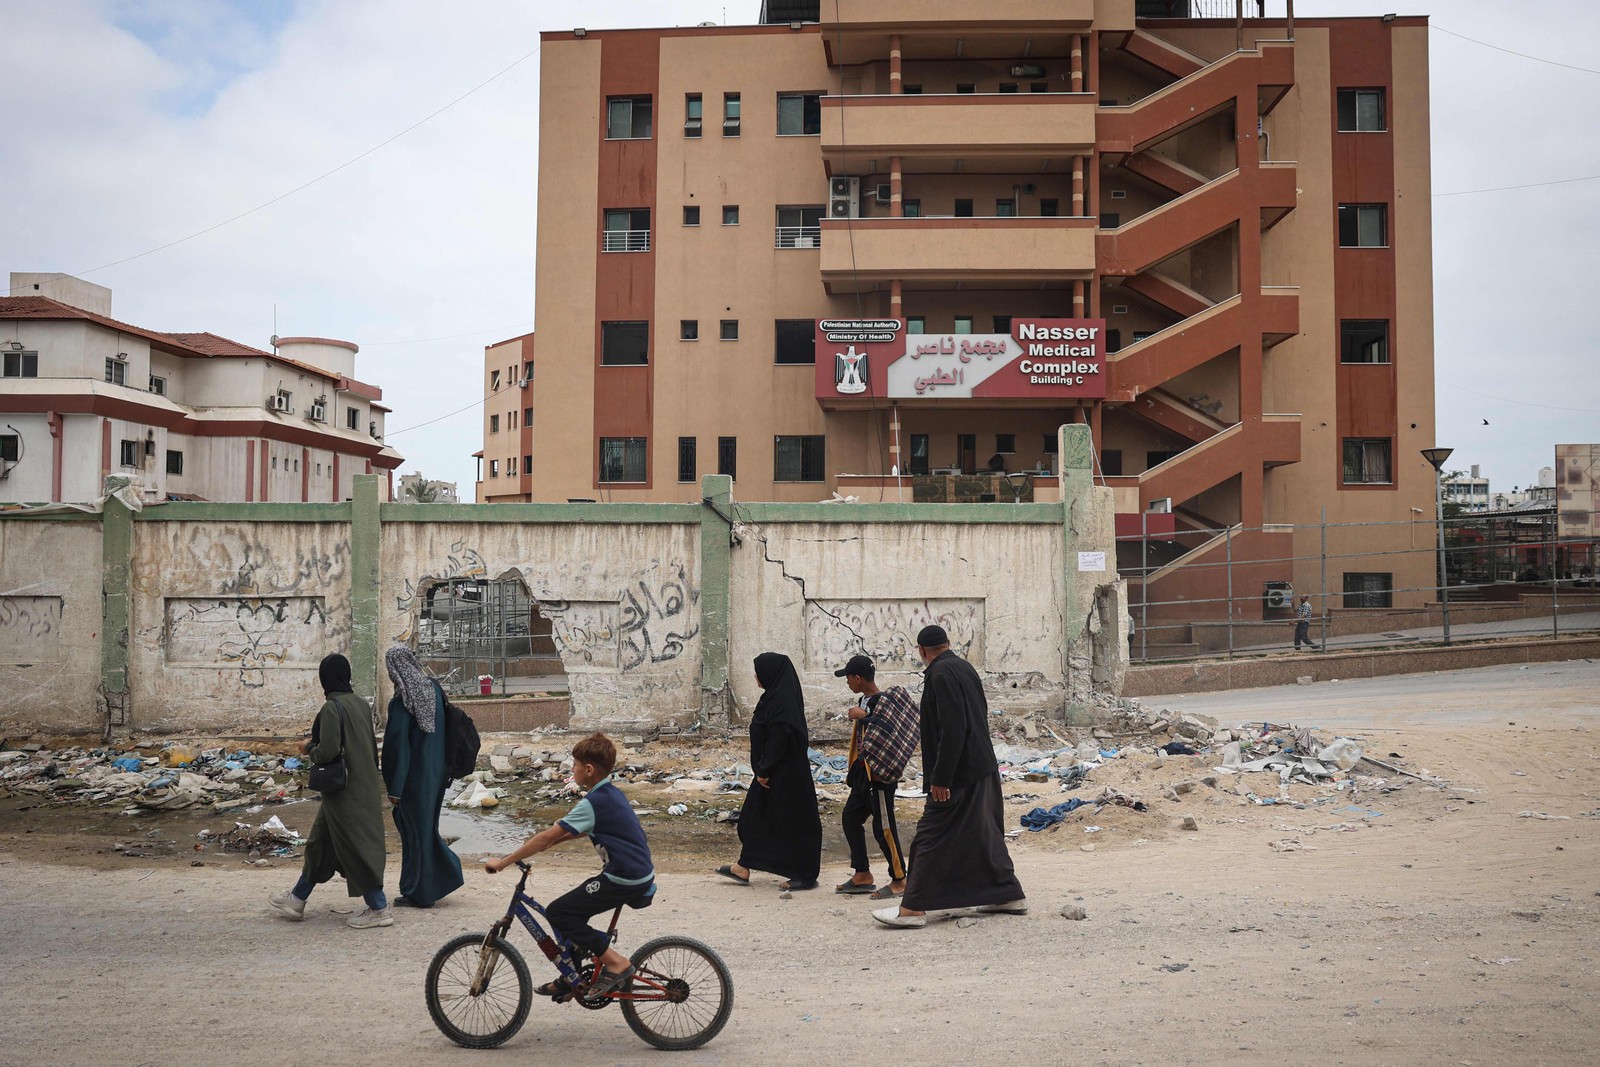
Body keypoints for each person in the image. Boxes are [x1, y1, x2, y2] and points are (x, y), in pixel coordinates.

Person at [874, 626, 1025, 929]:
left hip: (958, 774)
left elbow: (953, 729)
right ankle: (1006, 894)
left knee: (929, 838)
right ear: (948, 644)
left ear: (922, 651)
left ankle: (913, 908)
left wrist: (940, 778)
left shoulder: (939, 675)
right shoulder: (964, 667)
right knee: (985, 833)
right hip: (982, 766)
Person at [485, 733, 653, 997]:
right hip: (637, 872)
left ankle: (616, 962)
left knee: (559, 912)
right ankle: (571, 975)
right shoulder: (610, 793)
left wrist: (504, 862)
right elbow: (589, 830)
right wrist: (560, 841)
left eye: (574, 765)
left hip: (623, 878)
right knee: (573, 913)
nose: (571, 769)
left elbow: (544, 837)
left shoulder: (593, 802)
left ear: (588, 770)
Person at [270, 653, 392, 929]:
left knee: (354, 846)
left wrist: (308, 748)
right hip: (362, 786)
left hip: (343, 792)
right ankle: (297, 898)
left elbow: (327, 751)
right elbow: (369, 748)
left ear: (325, 678)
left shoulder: (331, 708)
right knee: (319, 844)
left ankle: (379, 907)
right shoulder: (360, 704)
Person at [715, 652, 822, 891]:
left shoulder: (781, 702)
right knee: (756, 819)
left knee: (793, 823)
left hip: (785, 775)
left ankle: (805, 875)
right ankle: (744, 866)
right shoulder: (773, 698)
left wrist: (765, 769)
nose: (756, 676)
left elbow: (779, 738)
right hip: (772, 774)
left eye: (758, 671)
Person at [381, 646, 464, 908]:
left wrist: (394, 788)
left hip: (413, 780)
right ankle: (428, 884)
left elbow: (399, 748)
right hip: (437, 774)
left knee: (415, 835)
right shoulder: (433, 690)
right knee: (425, 831)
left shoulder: (403, 700)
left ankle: (421, 889)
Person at [833, 653, 919, 901]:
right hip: (864, 773)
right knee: (850, 818)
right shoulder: (865, 699)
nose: (847, 682)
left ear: (858, 678)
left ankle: (900, 879)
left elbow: (890, 729)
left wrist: (865, 717)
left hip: (880, 776)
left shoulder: (884, 702)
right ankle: (862, 874)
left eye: (848, 678)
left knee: (884, 827)